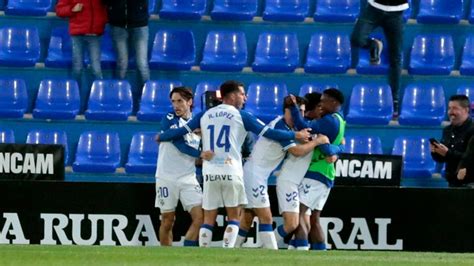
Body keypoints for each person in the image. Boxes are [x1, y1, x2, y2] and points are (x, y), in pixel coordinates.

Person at [156, 80, 311, 248]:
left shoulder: (205, 114)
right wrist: (296, 136)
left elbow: (179, 132)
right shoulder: (241, 115)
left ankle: (203, 254)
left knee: (208, 219)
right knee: (234, 217)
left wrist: (162, 136)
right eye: (242, 94)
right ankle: (228, 252)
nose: (245, 98)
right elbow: (270, 133)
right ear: (232, 95)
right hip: (231, 171)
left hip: (209, 171)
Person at [234, 96, 330, 249]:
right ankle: (269, 252)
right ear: (287, 110)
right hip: (254, 174)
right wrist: (317, 142)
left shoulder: (290, 128)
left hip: (257, 174)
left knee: (247, 217)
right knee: (266, 217)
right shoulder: (281, 126)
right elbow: (296, 151)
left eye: (303, 112)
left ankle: (233, 248)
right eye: (298, 111)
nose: (301, 115)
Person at [155, 86, 213, 247]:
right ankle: (166, 256)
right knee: (168, 220)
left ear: (190, 102)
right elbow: (179, 144)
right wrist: (200, 154)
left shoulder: (198, 123)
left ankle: (186, 252)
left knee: (200, 217)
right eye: (173, 101)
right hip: (166, 177)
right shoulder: (169, 118)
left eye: (180, 101)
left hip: (188, 177)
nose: (176, 105)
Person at [289, 88, 346, 250]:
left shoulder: (328, 121)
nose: (320, 104)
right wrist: (336, 150)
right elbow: (336, 146)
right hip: (327, 174)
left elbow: (302, 125)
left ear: (334, 102)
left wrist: (293, 107)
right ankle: (320, 254)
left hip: (316, 173)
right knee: (314, 219)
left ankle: (300, 253)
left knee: (298, 212)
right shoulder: (340, 120)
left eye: (324, 100)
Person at [350, 0, 409, 116]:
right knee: (357, 39)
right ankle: (373, 44)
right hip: (374, 8)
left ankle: (394, 100)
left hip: (396, 12)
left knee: (396, 58)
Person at [56, 0, 108, 81]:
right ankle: (74, 93)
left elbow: (108, 7)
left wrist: (102, 21)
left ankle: (99, 92)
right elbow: (59, 10)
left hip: (95, 34)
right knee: (77, 68)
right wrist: (72, 9)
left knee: (96, 69)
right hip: (77, 34)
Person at [102, 0, 150, 86]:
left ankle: (147, 95)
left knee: (142, 63)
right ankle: (119, 94)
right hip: (118, 24)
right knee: (122, 62)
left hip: (140, 24)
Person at [431, 95, 474, 187]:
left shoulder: (472, 130)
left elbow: (470, 159)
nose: (451, 112)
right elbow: (442, 159)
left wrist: (447, 153)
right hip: (452, 181)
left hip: (470, 183)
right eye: (449, 108)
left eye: (455, 108)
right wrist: (436, 152)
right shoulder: (447, 130)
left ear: (466, 110)